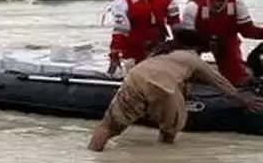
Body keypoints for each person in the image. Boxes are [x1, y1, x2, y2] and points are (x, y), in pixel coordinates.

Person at [88, 28, 263, 151]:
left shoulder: (161, 52)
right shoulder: (193, 59)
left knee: (108, 126)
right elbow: (221, 84)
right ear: (196, 48)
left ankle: (93, 154)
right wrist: (244, 100)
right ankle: (165, 159)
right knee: (169, 131)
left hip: (134, 78)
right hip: (165, 88)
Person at [178, 0, 263, 86]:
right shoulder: (193, 7)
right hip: (198, 41)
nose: (216, 4)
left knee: (238, 80)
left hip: (226, 42)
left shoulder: (237, 3)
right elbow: (186, 39)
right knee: (184, 73)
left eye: (221, 0)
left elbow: (248, 31)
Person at [106, 0, 180, 75]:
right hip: (134, 52)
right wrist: (114, 55)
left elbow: (174, 19)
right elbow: (120, 33)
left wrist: (180, 43)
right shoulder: (122, 1)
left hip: (159, 47)